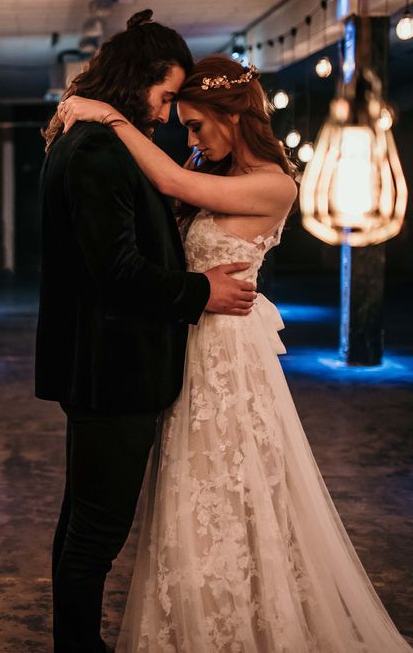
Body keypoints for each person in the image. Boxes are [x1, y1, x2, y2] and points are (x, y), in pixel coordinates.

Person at [58, 55, 412, 652]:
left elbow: (171, 183)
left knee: (231, 486)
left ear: (233, 116)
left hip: (228, 352)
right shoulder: (206, 165)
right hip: (190, 342)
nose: (188, 136)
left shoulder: (276, 182)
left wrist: (112, 119)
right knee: (186, 496)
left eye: (196, 124)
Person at [36, 11, 257, 653]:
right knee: (98, 531)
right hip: (114, 369)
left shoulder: (83, 142)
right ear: (138, 83)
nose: (163, 116)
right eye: (164, 98)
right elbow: (118, 272)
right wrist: (202, 290)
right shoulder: (97, 149)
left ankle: (72, 643)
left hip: (97, 364)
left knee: (81, 519)